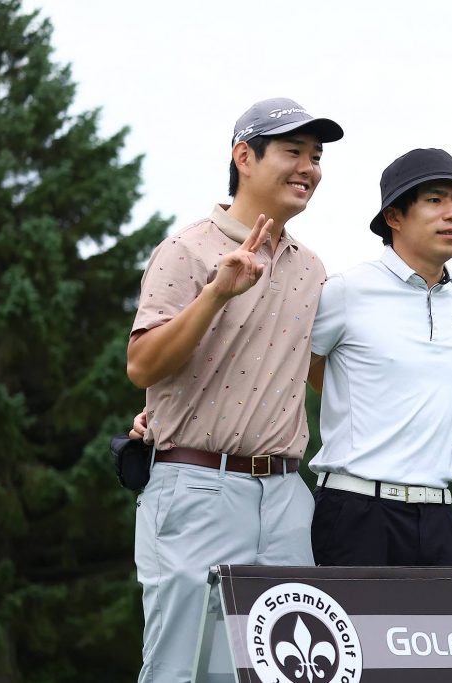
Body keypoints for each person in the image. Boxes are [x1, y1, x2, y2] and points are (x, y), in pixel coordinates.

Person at [126, 97, 342, 683]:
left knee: (284, 671)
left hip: (286, 495)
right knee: (181, 668)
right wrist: (216, 294)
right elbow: (142, 365)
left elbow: (325, 372)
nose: (309, 168)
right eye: (293, 152)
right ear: (244, 157)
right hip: (197, 484)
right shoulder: (186, 249)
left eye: (316, 157)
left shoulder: (312, 268)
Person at [309, 148, 452, 567]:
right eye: (435, 200)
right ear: (394, 216)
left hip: (438, 515)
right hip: (355, 511)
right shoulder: (347, 290)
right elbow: (299, 369)